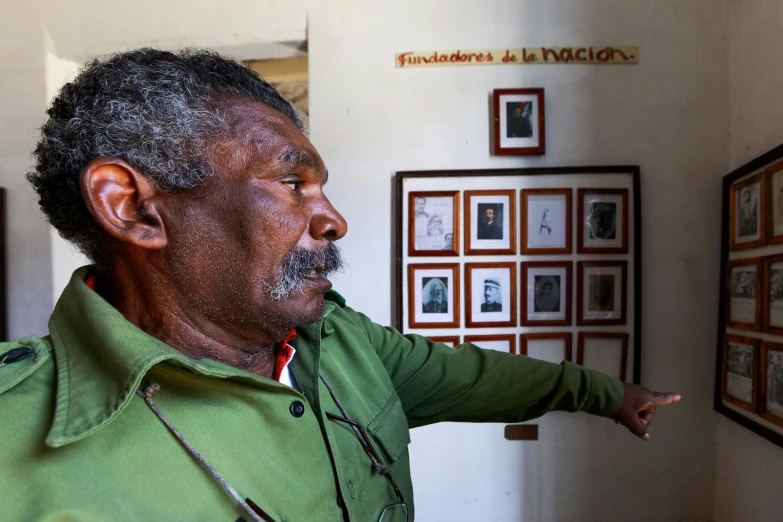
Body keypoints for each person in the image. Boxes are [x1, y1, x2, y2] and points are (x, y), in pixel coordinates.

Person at [0, 49, 679, 522]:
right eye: (291, 182)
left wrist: (608, 394)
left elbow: (476, 376)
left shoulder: (341, 342)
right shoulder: (15, 454)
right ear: (135, 207)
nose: (332, 219)